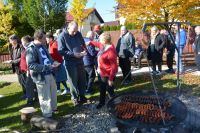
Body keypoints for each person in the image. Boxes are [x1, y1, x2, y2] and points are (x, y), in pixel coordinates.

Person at [26, 30, 57, 118]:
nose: (46, 40)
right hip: (41, 76)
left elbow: (48, 58)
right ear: (39, 38)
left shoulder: (43, 46)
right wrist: (47, 67)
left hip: (50, 73)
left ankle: (53, 109)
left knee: (53, 92)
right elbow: (31, 65)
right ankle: (47, 115)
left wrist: (53, 63)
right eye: (44, 38)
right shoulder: (30, 48)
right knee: (44, 96)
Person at [58, 21, 87, 106]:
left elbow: (83, 43)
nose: (75, 33)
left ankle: (82, 96)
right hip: (70, 62)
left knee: (82, 80)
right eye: (73, 31)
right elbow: (61, 51)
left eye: (76, 30)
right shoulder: (62, 36)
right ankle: (74, 98)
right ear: (68, 28)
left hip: (80, 61)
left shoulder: (78, 33)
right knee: (73, 81)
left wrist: (84, 50)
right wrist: (73, 54)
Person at [89, 32, 118, 109]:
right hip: (102, 73)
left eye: (100, 39)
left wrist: (111, 79)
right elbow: (98, 44)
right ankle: (102, 103)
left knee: (110, 90)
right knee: (102, 88)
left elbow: (114, 66)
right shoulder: (104, 46)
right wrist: (90, 42)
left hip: (108, 74)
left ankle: (114, 105)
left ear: (105, 41)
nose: (99, 41)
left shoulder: (110, 51)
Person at [21, 35, 38, 106]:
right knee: (34, 86)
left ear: (25, 42)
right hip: (27, 71)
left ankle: (30, 101)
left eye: (22, 41)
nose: (21, 43)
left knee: (29, 86)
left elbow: (29, 62)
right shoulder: (26, 48)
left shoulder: (29, 49)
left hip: (30, 71)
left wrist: (28, 71)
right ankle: (36, 98)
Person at [9, 34, 26, 99]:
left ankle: (28, 95)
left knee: (24, 81)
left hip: (22, 67)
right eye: (10, 41)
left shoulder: (21, 47)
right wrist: (11, 61)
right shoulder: (12, 47)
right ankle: (25, 94)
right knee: (21, 81)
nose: (10, 42)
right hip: (17, 67)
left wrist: (12, 61)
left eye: (11, 40)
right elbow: (13, 57)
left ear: (15, 40)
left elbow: (22, 58)